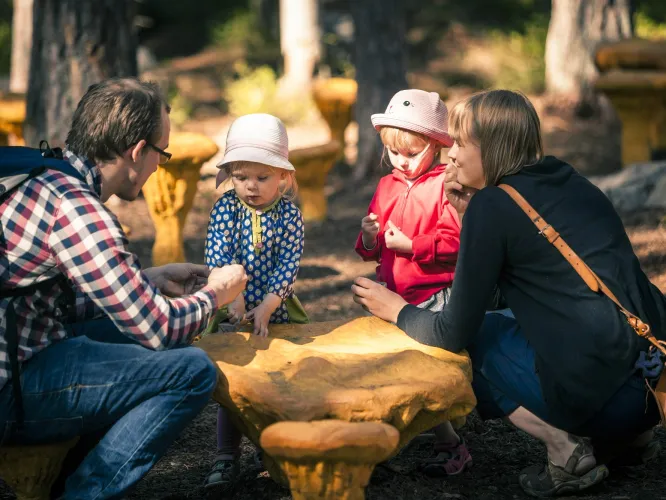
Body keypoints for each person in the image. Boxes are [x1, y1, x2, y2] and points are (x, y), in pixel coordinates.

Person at [352, 89, 666, 497]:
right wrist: (467, 216)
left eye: (462, 143)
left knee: (470, 344)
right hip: (652, 386)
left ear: (491, 147)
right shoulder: (567, 178)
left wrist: (396, 310)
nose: (452, 155)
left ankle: (564, 452)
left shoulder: (494, 207)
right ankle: (633, 442)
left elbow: (453, 331)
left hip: (604, 402)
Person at [0, 78, 248, 499]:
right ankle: (83, 493)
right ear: (137, 151)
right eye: (161, 153)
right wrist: (216, 295)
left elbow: (39, 297)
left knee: (143, 341)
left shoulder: (43, 177)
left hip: (20, 350)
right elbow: (157, 329)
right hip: (12, 390)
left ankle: (68, 469)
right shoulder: (78, 210)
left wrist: (146, 280)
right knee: (191, 371)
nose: (159, 165)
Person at [355, 89, 470, 475]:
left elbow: (457, 244)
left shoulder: (445, 186)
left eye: (412, 152)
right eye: (393, 153)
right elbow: (372, 251)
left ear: (436, 146)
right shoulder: (387, 185)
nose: (401, 162)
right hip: (392, 293)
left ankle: (451, 444)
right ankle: (394, 437)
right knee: (390, 367)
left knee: (420, 371)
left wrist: (412, 245)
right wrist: (369, 237)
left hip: (432, 296)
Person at [203, 113, 308, 490]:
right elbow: (219, 255)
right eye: (241, 176)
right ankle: (226, 455)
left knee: (280, 380)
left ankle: (273, 448)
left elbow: (288, 264)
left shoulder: (290, 216)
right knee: (235, 385)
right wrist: (236, 299)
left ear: (284, 177)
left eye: (262, 177)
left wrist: (266, 304)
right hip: (232, 307)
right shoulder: (226, 210)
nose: (250, 186)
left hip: (276, 309)